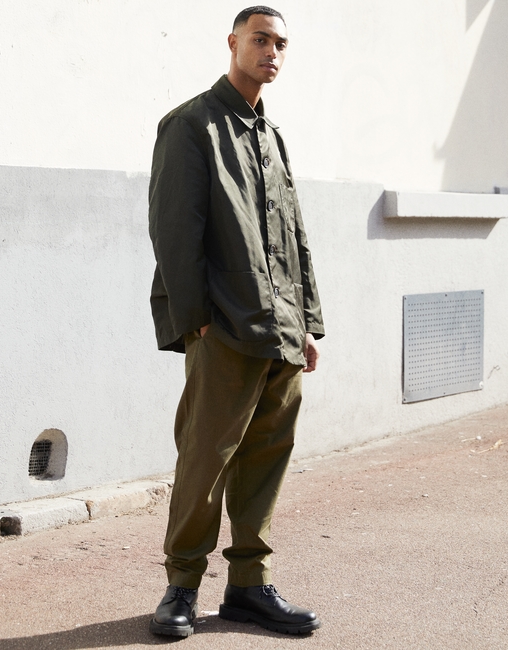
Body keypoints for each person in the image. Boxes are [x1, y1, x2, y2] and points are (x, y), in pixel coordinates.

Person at [147, 5, 325, 639]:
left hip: (281, 328)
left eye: (281, 43)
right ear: (233, 42)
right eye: (260, 39)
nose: (271, 51)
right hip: (223, 326)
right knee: (205, 460)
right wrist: (196, 322)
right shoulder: (191, 125)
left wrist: (308, 322)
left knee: (266, 459)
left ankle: (250, 586)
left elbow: (294, 235)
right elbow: (174, 231)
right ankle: (181, 586)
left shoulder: (271, 136)